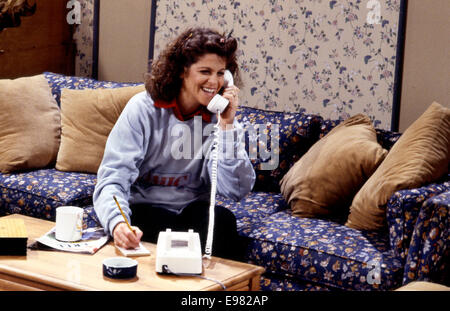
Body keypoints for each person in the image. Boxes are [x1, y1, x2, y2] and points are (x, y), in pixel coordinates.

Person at [93, 27, 256, 261]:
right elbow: (112, 178)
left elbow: (236, 190)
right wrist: (118, 223)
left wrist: (227, 126)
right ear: (181, 71)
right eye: (205, 71)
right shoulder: (142, 109)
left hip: (190, 214)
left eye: (221, 73)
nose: (214, 81)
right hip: (144, 211)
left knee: (222, 221)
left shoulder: (219, 120)